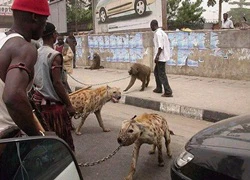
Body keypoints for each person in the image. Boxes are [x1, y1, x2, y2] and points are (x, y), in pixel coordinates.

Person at [0, 0, 50, 137]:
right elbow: (13, 96)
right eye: (45, 20)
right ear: (35, 17)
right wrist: (38, 137)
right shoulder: (24, 48)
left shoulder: (3, 41)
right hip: (7, 141)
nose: (44, 27)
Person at [32, 22, 76, 151]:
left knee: (46, 138)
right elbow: (57, 83)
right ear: (54, 35)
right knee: (61, 138)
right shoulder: (54, 55)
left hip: (39, 104)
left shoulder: (36, 52)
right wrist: (69, 105)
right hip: (53, 108)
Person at [150, 20, 173, 97]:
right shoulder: (162, 32)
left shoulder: (158, 33)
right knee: (156, 72)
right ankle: (159, 88)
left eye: (151, 26)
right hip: (162, 56)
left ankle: (168, 91)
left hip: (160, 57)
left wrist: (157, 56)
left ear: (154, 25)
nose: (150, 28)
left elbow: (160, 47)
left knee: (162, 74)